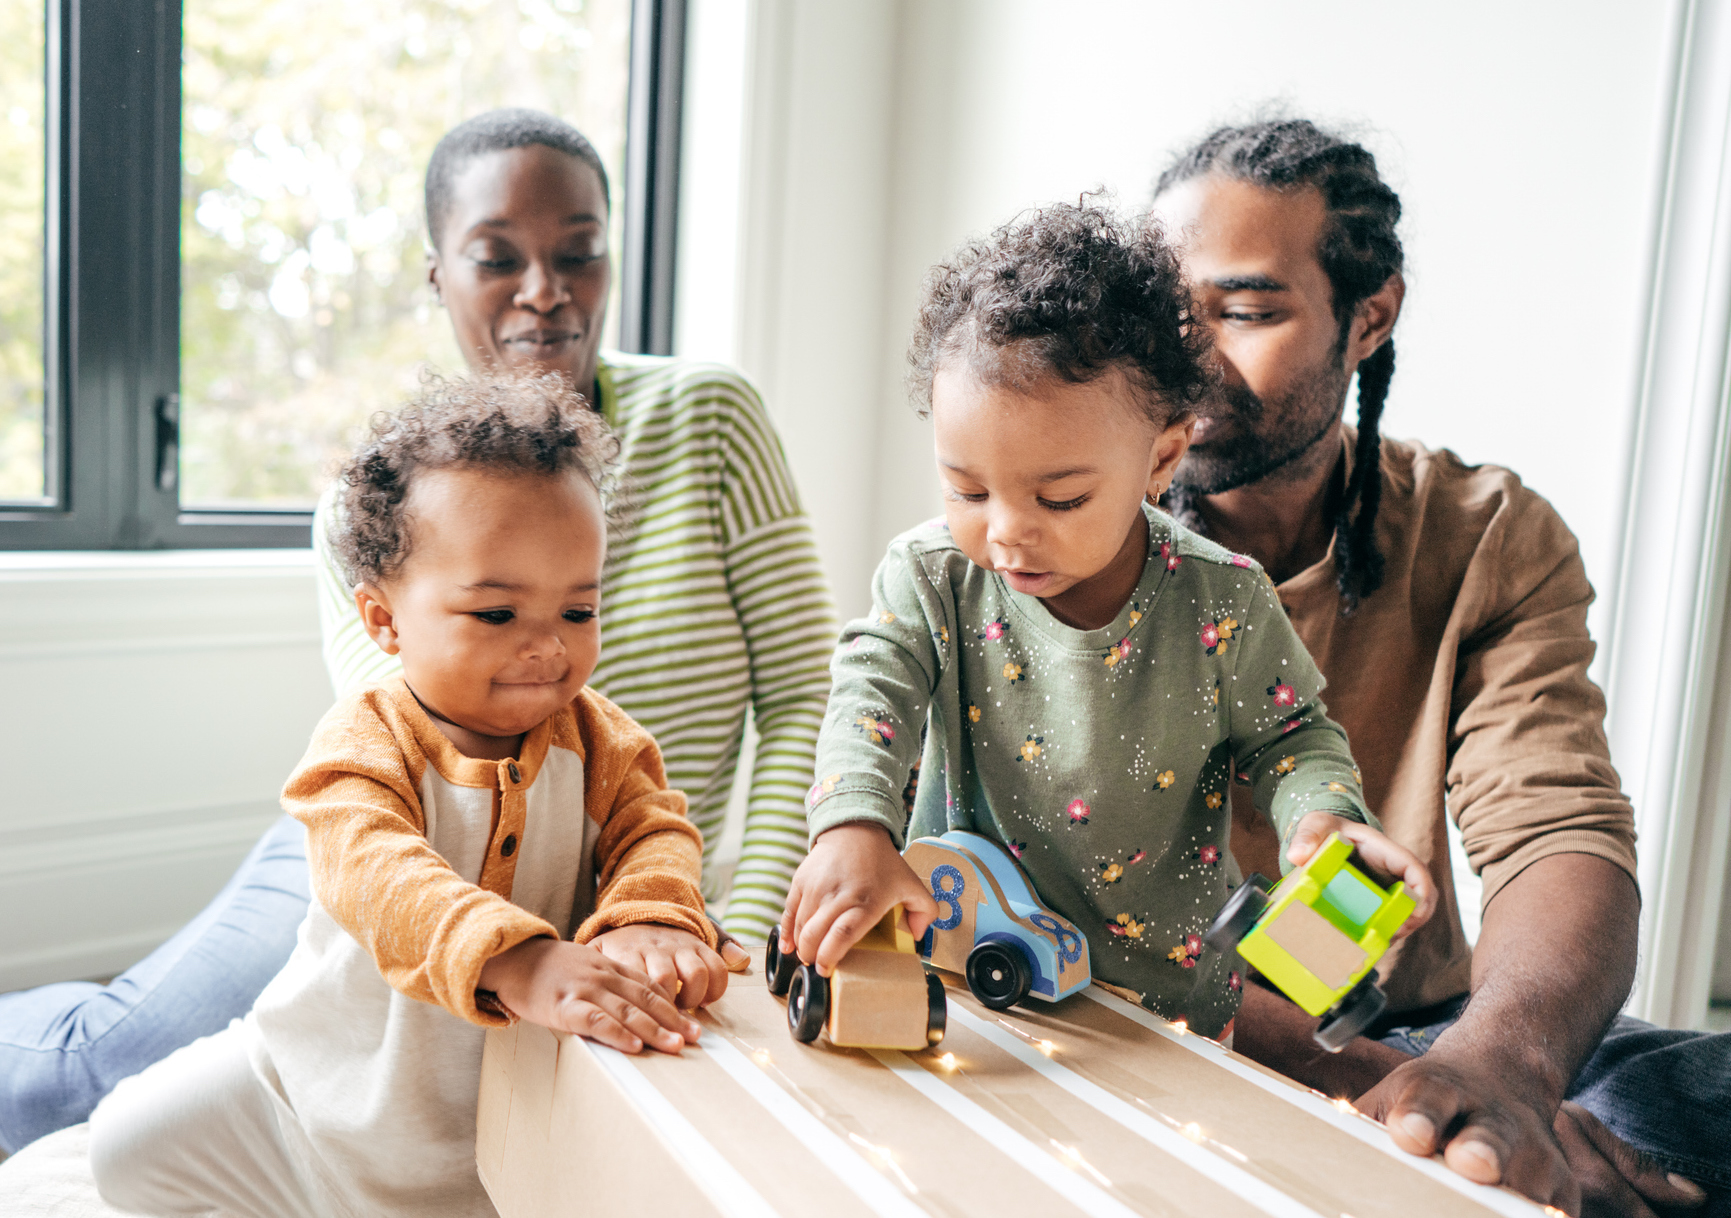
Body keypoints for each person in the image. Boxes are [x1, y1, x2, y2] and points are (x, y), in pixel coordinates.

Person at [0, 108, 834, 1153]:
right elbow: (398, 732)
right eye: (498, 257)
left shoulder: (712, 419)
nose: (545, 289)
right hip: (397, 839)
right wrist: (515, 955)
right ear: (437, 272)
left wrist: (727, 924)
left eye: (579, 252)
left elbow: (806, 689)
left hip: (608, 870)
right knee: (93, 1066)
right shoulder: (382, 503)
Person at [1151, 119, 1729, 1216]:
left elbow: (1556, 827)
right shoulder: (1068, 522)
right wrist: (1345, 1078)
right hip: (1161, 1017)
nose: (1195, 357)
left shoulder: (1486, 535)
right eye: (1175, 315)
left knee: (1688, 1103)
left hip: (1423, 1030)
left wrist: (1502, 1066)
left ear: (1368, 317)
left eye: (1248, 310)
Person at [777, 201, 1435, 1039]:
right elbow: (868, 696)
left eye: (1060, 497)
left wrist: (1324, 817)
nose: (1007, 529)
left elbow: (1292, 738)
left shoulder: (1222, 600)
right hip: (971, 980)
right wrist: (851, 825)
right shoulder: (931, 576)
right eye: (966, 490)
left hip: (1168, 1015)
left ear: (1162, 456)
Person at [89, 373, 727, 1217]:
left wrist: (651, 915)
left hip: (484, 1134)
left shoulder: (602, 740)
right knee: (120, 1148)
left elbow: (657, 832)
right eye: (496, 615)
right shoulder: (364, 740)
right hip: (307, 1094)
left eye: (579, 610)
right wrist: (515, 959)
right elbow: (372, 870)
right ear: (384, 621)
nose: (548, 646)